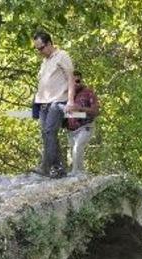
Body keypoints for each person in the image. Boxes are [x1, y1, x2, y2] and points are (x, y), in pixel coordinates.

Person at [32, 31, 75, 179]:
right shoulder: (44, 61)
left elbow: (70, 79)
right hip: (43, 102)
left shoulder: (62, 56)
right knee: (46, 134)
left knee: (50, 131)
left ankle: (48, 167)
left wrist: (70, 101)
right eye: (37, 49)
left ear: (49, 43)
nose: (39, 51)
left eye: (41, 48)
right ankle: (57, 168)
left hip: (58, 100)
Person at [65, 71, 99, 176]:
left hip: (86, 126)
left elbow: (95, 111)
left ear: (81, 80)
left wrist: (80, 109)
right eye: (73, 81)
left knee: (78, 147)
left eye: (78, 81)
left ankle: (76, 172)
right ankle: (80, 172)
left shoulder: (88, 92)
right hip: (71, 130)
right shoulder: (66, 95)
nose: (76, 83)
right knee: (73, 151)